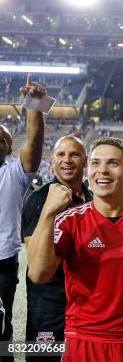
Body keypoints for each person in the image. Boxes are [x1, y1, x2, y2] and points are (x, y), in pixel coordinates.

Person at [27, 137, 123, 361]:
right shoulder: (69, 221)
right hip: (83, 341)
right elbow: (38, 274)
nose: (102, 170)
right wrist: (48, 214)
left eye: (112, 163)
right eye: (95, 163)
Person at [22, 136, 92, 362]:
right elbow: (36, 264)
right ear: (52, 162)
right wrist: (49, 213)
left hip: (86, 307)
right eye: (61, 155)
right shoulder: (38, 199)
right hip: (48, 308)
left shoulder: (93, 200)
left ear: (85, 161)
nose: (67, 160)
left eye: (74, 154)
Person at [0, 74, 46, 362]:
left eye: (1, 138)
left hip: (2, 261)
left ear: (8, 148)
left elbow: (34, 141)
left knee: (1, 329)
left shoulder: (15, 173)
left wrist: (35, 103)